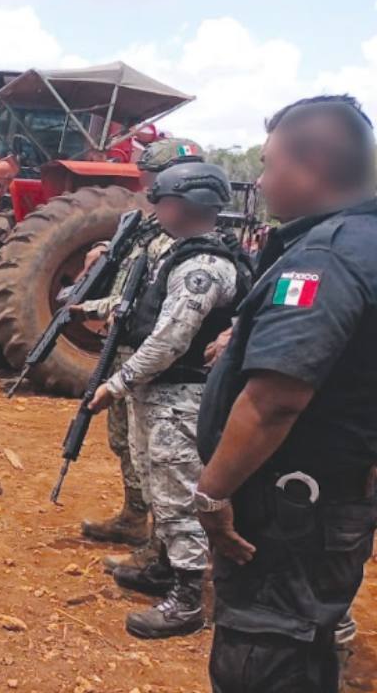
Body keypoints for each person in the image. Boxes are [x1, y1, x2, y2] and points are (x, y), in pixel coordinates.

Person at [196, 95, 377, 692]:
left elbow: (277, 399)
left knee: (264, 656)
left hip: (291, 513)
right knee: (305, 646)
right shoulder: (362, 242)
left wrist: (213, 494)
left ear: (312, 167)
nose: (264, 181)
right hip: (331, 499)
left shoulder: (324, 258)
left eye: (270, 165)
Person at [85, 161, 249, 639]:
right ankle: (162, 566)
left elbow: (170, 340)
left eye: (165, 200)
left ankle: (187, 597)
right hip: (159, 393)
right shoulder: (178, 254)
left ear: (189, 205)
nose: (156, 208)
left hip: (181, 397)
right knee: (158, 484)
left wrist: (117, 383)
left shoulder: (202, 267)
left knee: (179, 493)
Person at [77, 139, 205, 558]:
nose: (148, 188)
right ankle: (136, 516)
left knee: (159, 453)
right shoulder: (148, 227)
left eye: (155, 181)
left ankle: (160, 541)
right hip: (124, 343)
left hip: (156, 359)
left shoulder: (188, 241)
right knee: (125, 441)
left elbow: (158, 305)